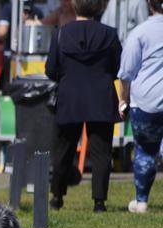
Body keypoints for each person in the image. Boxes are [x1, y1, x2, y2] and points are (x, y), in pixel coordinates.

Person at [45, 0, 122, 212]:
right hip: (101, 97)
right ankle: (99, 201)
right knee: (101, 152)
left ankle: (57, 197)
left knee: (64, 150)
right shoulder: (110, 34)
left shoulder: (60, 34)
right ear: (99, 9)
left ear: (75, 8)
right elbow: (118, 67)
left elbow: (51, 70)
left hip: (70, 98)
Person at [117, 0, 163, 213]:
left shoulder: (139, 33)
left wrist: (122, 99)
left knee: (145, 151)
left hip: (145, 101)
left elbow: (126, 73)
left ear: (149, 4)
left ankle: (142, 200)